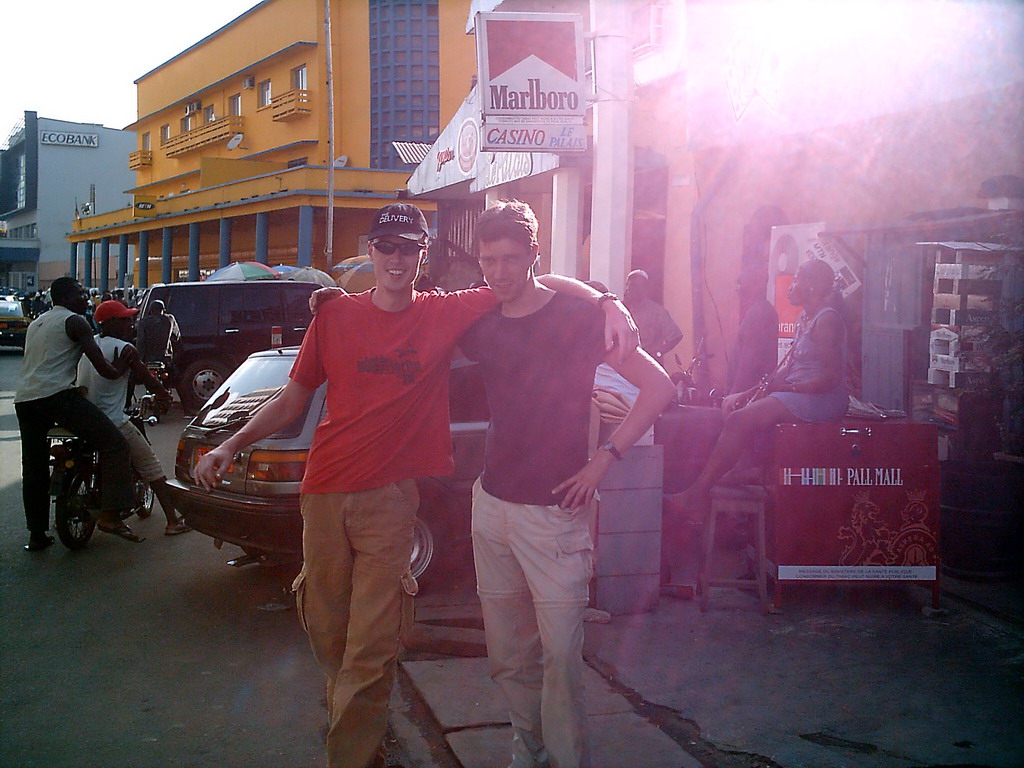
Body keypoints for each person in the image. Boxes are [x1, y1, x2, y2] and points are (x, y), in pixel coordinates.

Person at [192, 202, 638, 768]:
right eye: (387, 247)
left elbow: (529, 277)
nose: (397, 259)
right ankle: (360, 734)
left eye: (408, 248)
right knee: (329, 635)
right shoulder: (333, 317)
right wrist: (231, 445)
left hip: (391, 499)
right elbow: (291, 399)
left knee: (373, 644)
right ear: (371, 250)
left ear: (423, 256)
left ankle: (350, 757)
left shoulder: (445, 312)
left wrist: (606, 299)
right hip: (324, 494)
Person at [460, 201, 674, 768]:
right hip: (493, 507)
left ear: (533, 255)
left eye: (511, 259)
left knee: (560, 653)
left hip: (556, 514)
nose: (500, 273)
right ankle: (525, 751)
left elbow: (658, 388)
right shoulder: (481, 320)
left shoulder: (580, 322)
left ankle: (565, 759)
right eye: (488, 261)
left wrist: (605, 458)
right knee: (509, 656)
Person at [665, 258, 847, 519]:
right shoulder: (805, 318)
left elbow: (830, 378)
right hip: (800, 392)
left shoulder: (827, 321)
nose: (790, 285)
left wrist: (788, 390)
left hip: (821, 398)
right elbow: (787, 369)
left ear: (814, 286)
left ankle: (696, 494)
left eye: (797, 279)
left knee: (740, 419)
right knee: (736, 406)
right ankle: (747, 468)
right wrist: (749, 393)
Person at [14, 277, 139, 551]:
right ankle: (111, 514)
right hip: (57, 398)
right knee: (115, 443)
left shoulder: (38, 322)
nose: (85, 300)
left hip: (25, 400)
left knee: (33, 467)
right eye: (80, 294)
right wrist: (119, 369)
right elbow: (103, 368)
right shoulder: (75, 321)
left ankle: (37, 534)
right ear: (67, 297)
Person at [77, 300, 190, 537]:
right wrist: (163, 396)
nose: (131, 323)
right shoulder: (125, 349)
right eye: (125, 319)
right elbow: (147, 379)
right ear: (109, 324)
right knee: (152, 466)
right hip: (113, 419)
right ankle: (172, 521)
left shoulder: (90, 346)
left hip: (86, 418)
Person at [726, 265, 779, 395]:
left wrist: (735, 394)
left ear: (755, 285)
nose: (737, 288)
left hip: (748, 393)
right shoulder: (756, 310)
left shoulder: (760, 313)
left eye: (741, 283)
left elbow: (749, 362)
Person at [623, 269, 683, 362]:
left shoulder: (657, 312)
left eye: (638, 286)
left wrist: (658, 353)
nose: (634, 289)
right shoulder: (620, 309)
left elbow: (676, 336)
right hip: (624, 364)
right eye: (631, 285)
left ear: (646, 288)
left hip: (648, 363)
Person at [135, 299, 180, 365]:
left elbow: (140, 342)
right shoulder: (170, 319)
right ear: (163, 310)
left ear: (151, 311)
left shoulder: (143, 322)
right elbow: (176, 337)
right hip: (165, 357)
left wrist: (140, 359)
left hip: (148, 359)